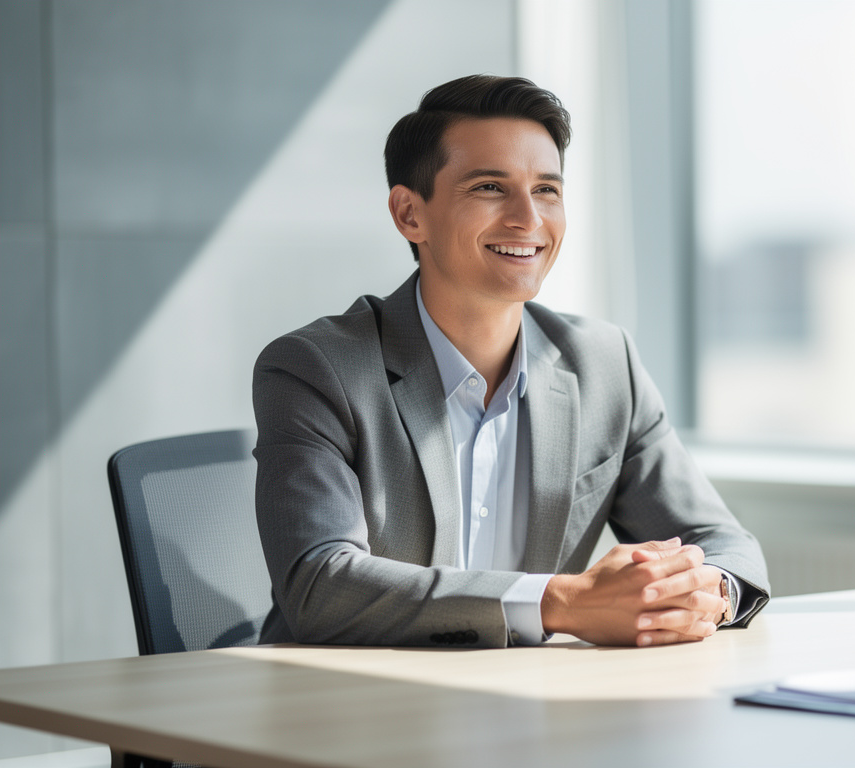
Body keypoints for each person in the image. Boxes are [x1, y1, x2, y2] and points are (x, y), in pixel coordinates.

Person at [251, 75, 768, 650]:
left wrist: (703, 594)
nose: (529, 218)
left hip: (528, 708)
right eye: (491, 187)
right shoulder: (316, 368)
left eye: (547, 190)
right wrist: (559, 603)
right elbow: (321, 585)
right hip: (349, 711)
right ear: (409, 214)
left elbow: (722, 542)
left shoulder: (603, 365)